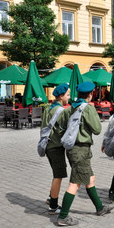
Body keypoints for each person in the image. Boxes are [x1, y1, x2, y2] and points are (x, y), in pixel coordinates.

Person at [55, 82, 114, 226]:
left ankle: (100, 208)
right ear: (91, 93)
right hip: (81, 150)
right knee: (75, 183)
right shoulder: (88, 108)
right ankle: (63, 216)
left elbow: (61, 126)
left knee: (90, 178)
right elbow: (97, 129)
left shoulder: (69, 108)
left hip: (72, 149)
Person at [42, 84, 70, 215]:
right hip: (55, 146)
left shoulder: (49, 108)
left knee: (56, 174)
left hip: (48, 145)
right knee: (58, 176)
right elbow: (64, 129)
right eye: (68, 95)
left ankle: (50, 197)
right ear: (61, 96)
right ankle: (53, 205)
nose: (69, 97)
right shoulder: (60, 111)